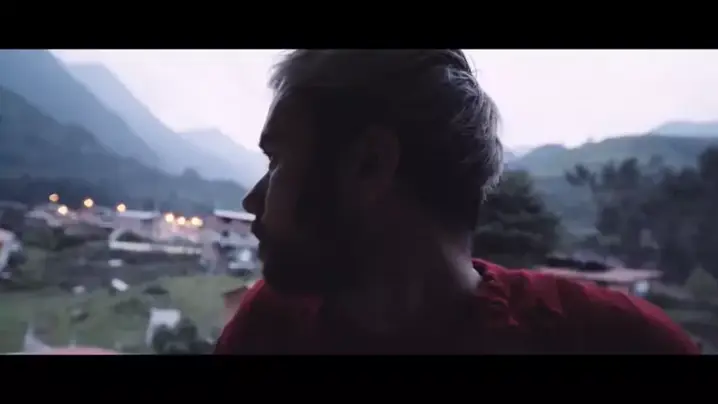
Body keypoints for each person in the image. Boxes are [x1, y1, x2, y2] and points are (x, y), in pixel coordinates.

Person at [214, 49, 699, 355]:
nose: (253, 199)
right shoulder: (268, 326)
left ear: (370, 164)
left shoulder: (617, 342)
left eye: (277, 160)